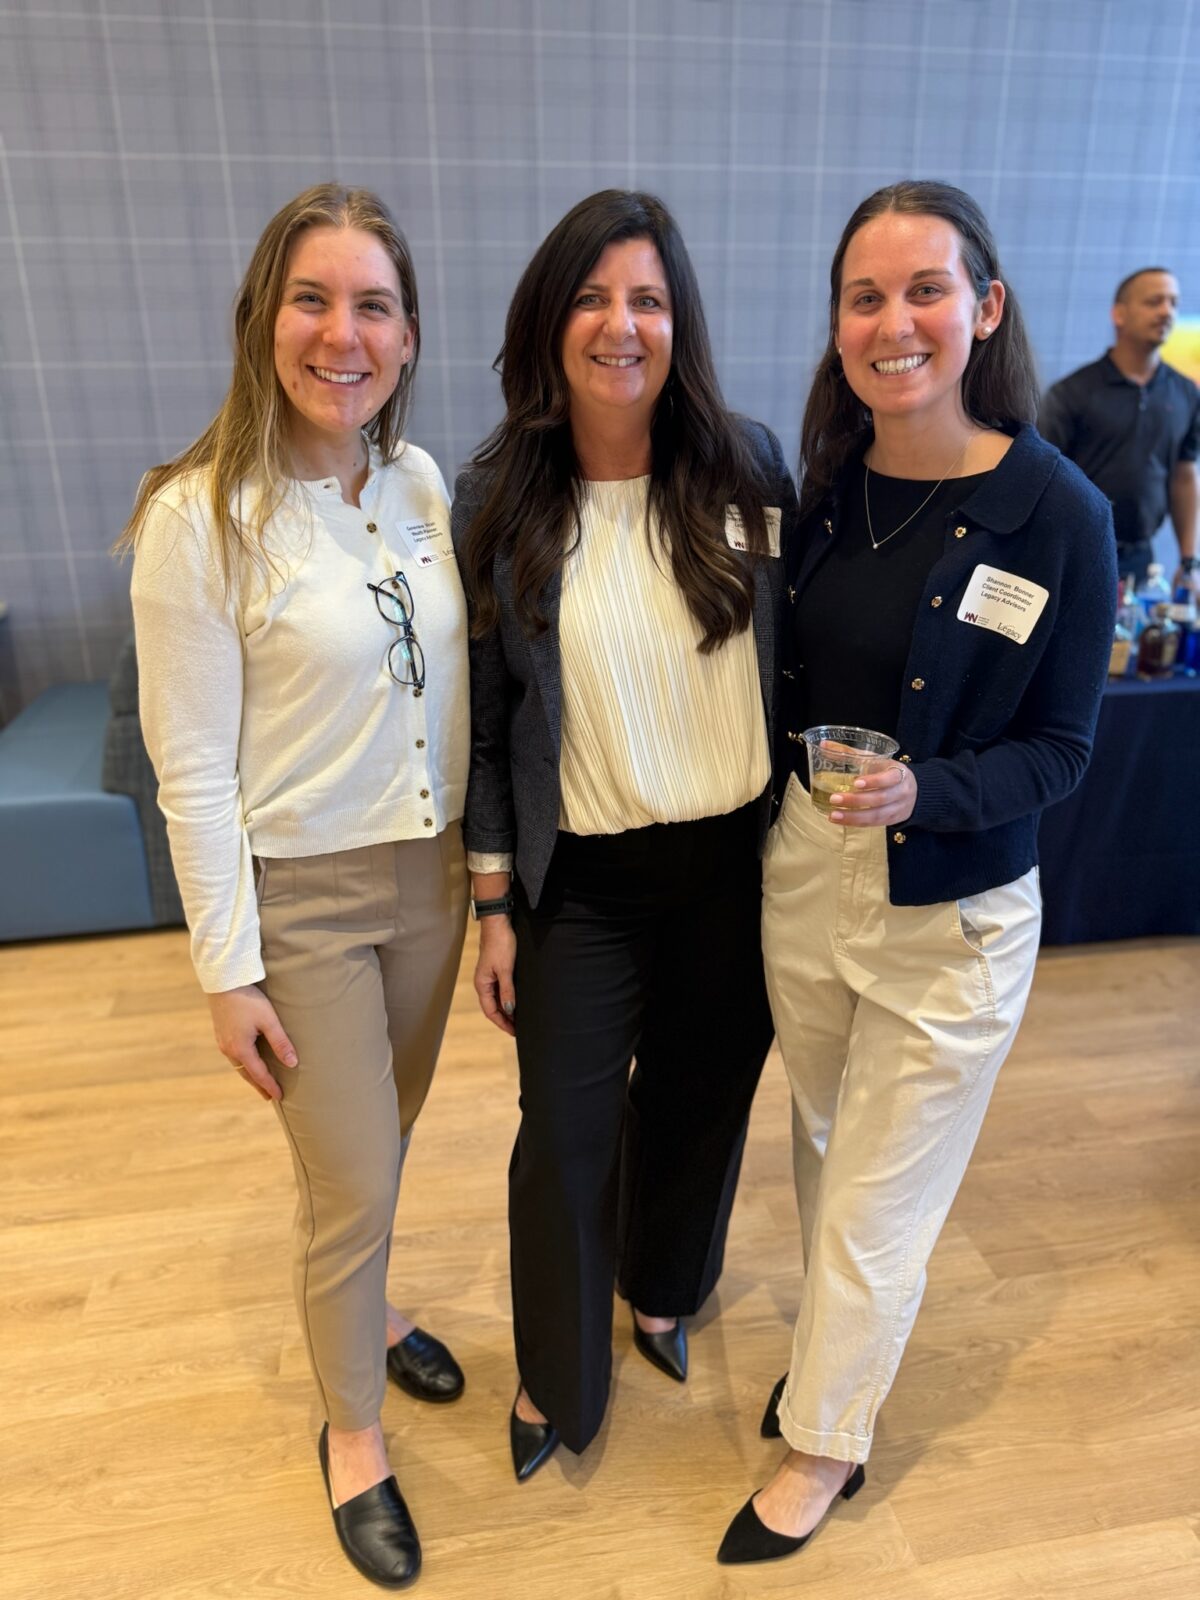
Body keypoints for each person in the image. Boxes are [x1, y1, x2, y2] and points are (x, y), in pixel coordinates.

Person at [717, 181, 1117, 1566]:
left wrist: (925, 792)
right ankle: (840, 1365)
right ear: (838, 325)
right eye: (866, 297)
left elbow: (1063, 746)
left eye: (926, 290)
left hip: (953, 913)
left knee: (884, 1194)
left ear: (985, 308)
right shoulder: (827, 488)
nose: (896, 323)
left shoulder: (1057, 512)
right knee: (827, 1146)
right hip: (805, 877)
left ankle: (826, 1437)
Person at [122, 184, 468, 1591]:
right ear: (261, 319)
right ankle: (355, 1436)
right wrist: (227, 970)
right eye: (312, 300)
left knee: (380, 1147)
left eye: (373, 306)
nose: (344, 334)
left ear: (408, 334)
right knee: (354, 1177)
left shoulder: (420, 484)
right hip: (306, 901)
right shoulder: (198, 516)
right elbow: (192, 773)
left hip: (432, 880)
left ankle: (366, 1313)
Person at [453, 189, 796, 1481]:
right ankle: (556, 1372)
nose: (621, 324)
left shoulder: (747, 466)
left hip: (732, 869)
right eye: (593, 298)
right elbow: (487, 729)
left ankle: (663, 1290)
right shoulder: (498, 497)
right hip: (579, 884)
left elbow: (793, 659)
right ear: (551, 322)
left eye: (647, 298)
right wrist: (494, 903)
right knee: (566, 1133)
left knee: (702, 1106)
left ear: (678, 321)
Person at [1038, 267, 1199, 586]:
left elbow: (1184, 476)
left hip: (1141, 559)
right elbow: (1040, 480)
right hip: (1075, 553)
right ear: (1119, 314)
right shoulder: (1072, 393)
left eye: (1173, 302)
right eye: (1154, 302)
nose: (1166, 311)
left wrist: (1188, 561)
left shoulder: (1185, 393)